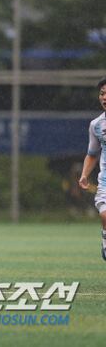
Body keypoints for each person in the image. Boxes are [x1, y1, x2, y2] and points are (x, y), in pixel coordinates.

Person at [79, 77, 106, 260]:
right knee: (104, 215)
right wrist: (84, 174)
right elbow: (92, 154)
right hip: (105, 181)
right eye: (102, 94)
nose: (104, 97)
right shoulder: (96, 125)